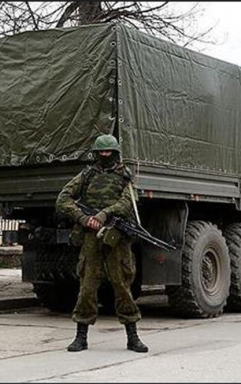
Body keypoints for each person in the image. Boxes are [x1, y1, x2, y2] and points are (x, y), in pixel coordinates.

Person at [56, 134, 148, 353]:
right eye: (101, 152)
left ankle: (132, 337)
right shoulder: (87, 174)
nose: (105, 156)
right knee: (87, 287)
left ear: (115, 153)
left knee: (122, 285)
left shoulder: (125, 176)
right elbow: (63, 199)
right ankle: (81, 337)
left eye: (108, 152)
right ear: (95, 154)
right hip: (91, 238)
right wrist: (83, 218)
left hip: (116, 237)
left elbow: (127, 203)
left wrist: (105, 215)